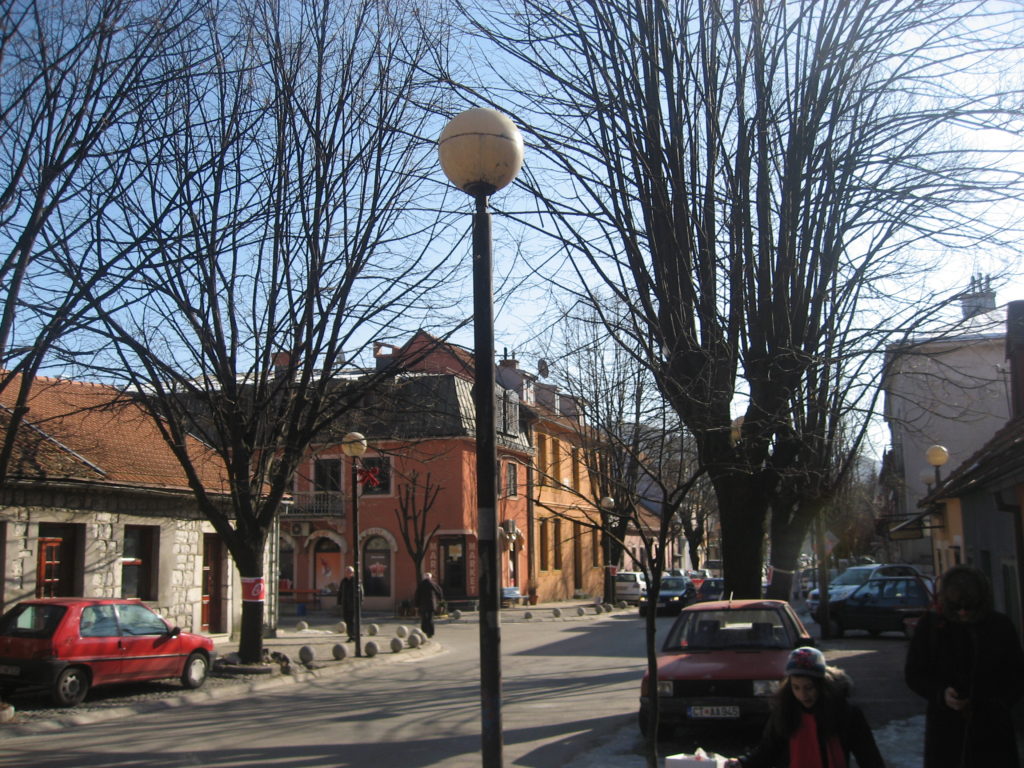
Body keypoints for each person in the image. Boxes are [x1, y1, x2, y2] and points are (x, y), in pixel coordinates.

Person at [904, 564, 1024, 768]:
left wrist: (997, 704)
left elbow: (1017, 674)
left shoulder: (999, 626)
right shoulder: (932, 627)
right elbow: (914, 674)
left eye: (969, 607)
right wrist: (941, 694)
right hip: (946, 736)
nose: (963, 612)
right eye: (957, 607)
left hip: (993, 737)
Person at [725, 646, 884, 768]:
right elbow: (768, 750)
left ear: (822, 686)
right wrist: (743, 763)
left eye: (809, 688)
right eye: (796, 687)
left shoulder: (846, 713)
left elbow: (869, 758)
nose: (803, 695)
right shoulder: (785, 711)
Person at [415, 571, 444, 638]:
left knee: (424, 618)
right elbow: (439, 591)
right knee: (430, 618)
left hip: (423, 604)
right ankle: (431, 633)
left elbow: (417, 595)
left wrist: (416, 605)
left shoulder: (421, 585)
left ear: (424, 577)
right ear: (430, 578)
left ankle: (424, 632)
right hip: (431, 604)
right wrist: (440, 599)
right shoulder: (433, 584)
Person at [336, 566, 357, 642]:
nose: (348, 573)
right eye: (347, 572)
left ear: (353, 573)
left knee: (352, 620)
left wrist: (359, 603)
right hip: (345, 604)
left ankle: (353, 635)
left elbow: (361, 592)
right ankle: (350, 634)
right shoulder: (344, 581)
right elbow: (340, 592)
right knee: (347, 620)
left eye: (350, 572)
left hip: (353, 604)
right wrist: (339, 602)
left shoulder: (356, 581)